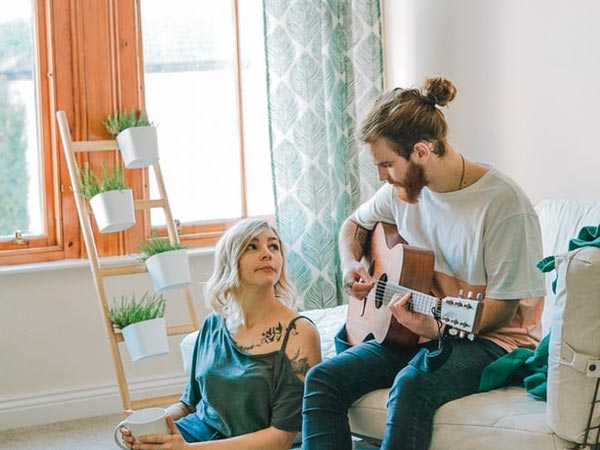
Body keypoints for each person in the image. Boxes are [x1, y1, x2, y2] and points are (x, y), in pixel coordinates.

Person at [302, 77, 546, 450]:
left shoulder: (503, 204)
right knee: (322, 380)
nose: (380, 176)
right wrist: (351, 262)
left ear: (421, 151)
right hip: (419, 327)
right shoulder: (402, 192)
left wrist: (435, 328)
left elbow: (499, 311)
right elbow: (353, 225)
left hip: (494, 341)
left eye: (386, 164)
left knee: (412, 384)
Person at [119, 218, 321, 449]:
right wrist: (150, 426)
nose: (267, 254)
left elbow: (280, 438)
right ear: (230, 260)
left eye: (273, 246)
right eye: (252, 246)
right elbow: (188, 404)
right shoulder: (213, 324)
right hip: (195, 434)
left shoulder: (299, 334)